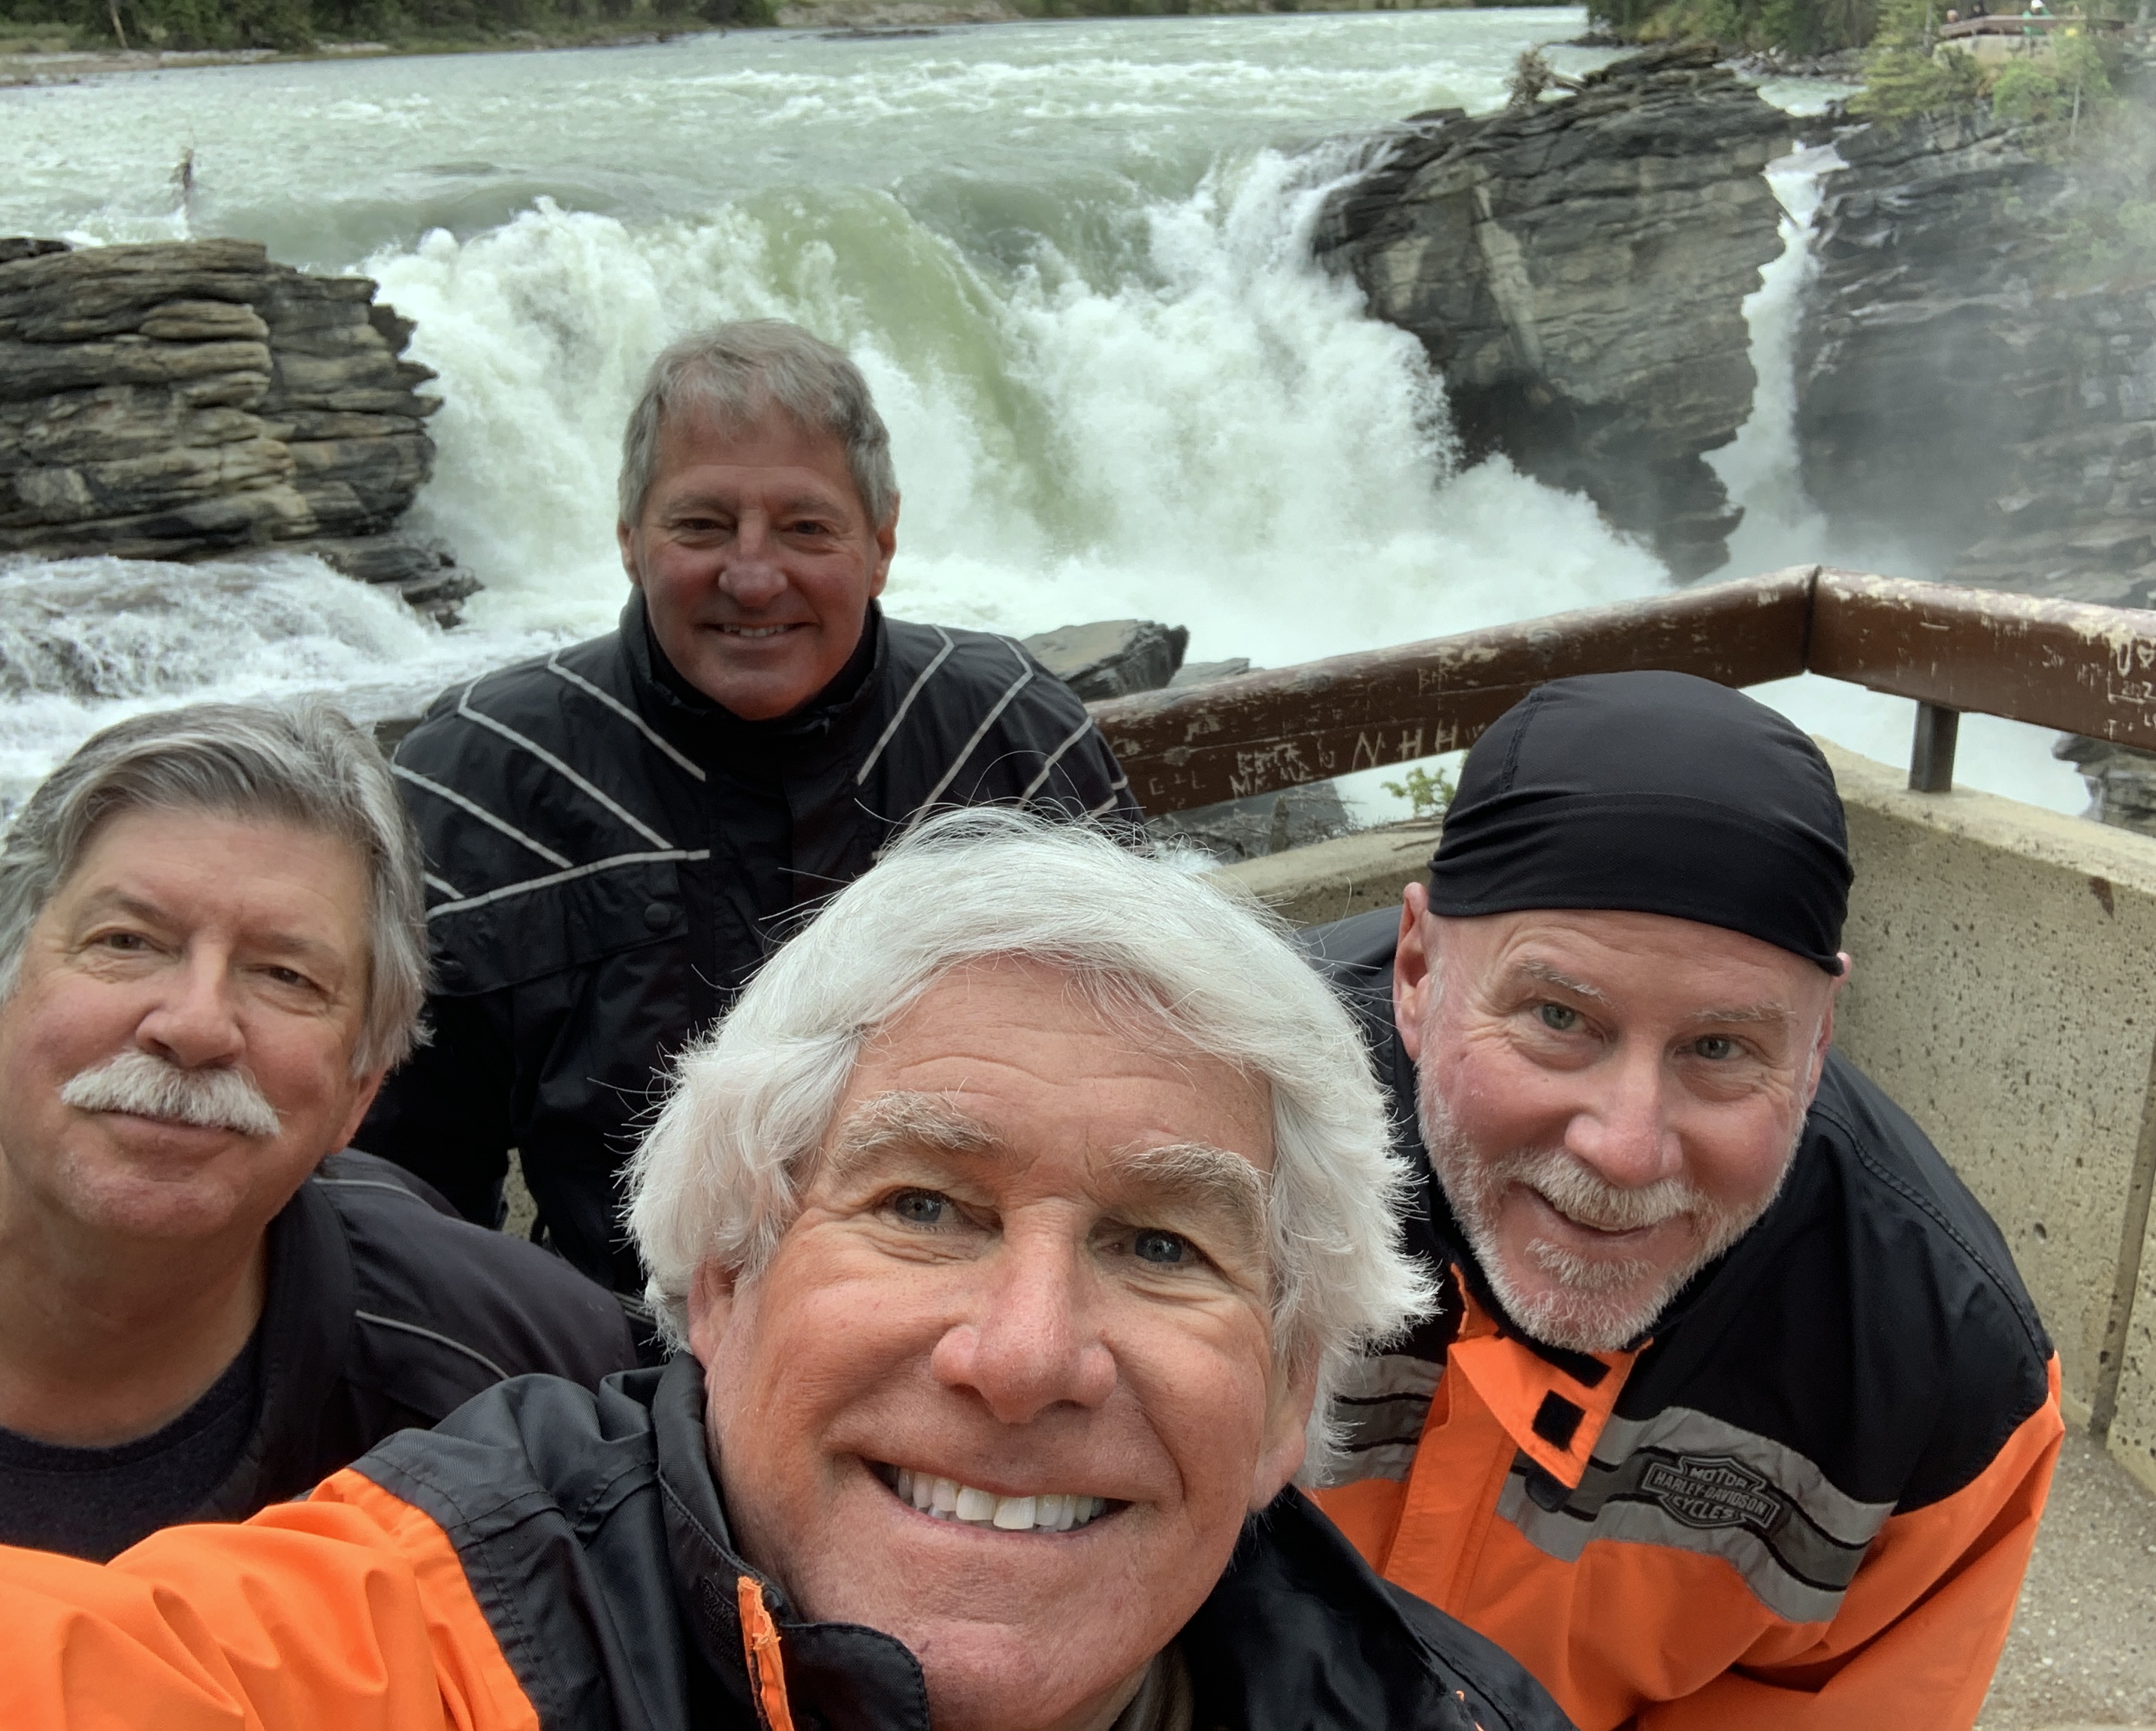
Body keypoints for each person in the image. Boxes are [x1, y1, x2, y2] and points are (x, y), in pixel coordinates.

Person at [0, 812, 1578, 1731]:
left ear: (1290, 1387)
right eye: (924, 1206)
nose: (1024, 1353)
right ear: (723, 1281)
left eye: (1160, 1245)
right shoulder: (446, 1643)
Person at [1300, 672, 2063, 1730]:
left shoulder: (1940, 1371)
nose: (1625, 1151)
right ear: (1419, 973)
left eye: (1718, 1047)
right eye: (1558, 1017)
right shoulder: (1209, 1126)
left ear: (1816, 1045)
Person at [360, 320, 1139, 1304]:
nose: (755, 576)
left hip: (980, 1327)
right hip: (625, 1353)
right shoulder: (484, 780)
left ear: (882, 543)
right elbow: (402, 1196)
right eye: (701, 526)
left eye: (807, 528)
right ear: (630, 541)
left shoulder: (1010, 740)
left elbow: (1140, 1083)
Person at [0, 702, 634, 1561]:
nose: (195, 1025)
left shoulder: (522, 1394)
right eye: (127, 941)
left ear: (360, 1090)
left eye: (285, 975)